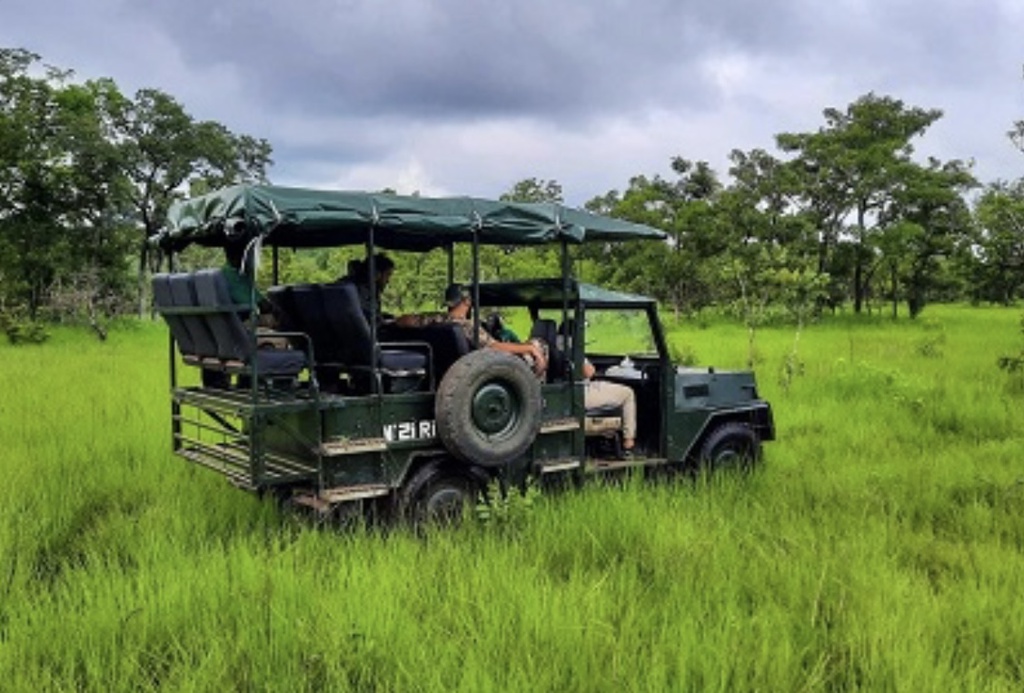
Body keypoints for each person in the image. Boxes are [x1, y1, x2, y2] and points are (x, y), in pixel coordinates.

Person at [396, 283, 547, 377]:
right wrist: (530, 348)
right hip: (478, 369)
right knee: (538, 345)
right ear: (467, 301)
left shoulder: (434, 319)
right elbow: (493, 347)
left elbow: (405, 320)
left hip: (447, 368)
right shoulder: (466, 325)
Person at [582, 357, 637, 457]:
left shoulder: (548, 344)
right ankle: (628, 443)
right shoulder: (569, 344)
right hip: (581, 392)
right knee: (628, 393)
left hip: (567, 391)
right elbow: (589, 372)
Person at [339, 253, 395, 322]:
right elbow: (369, 318)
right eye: (387, 275)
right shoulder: (361, 291)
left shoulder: (345, 285)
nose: (388, 281)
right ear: (377, 274)